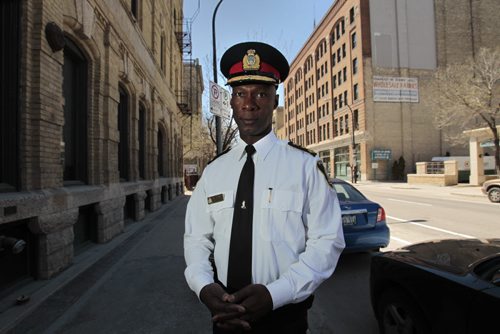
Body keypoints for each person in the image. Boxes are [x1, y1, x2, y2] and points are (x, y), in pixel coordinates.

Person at [184, 41, 345, 333]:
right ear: (231, 101)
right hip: (224, 316)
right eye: (240, 94)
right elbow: (197, 238)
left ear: (275, 100)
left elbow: (327, 241)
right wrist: (203, 285)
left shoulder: (305, 167)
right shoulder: (213, 172)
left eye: (261, 93)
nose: (249, 104)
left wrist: (276, 294)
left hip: (285, 318)